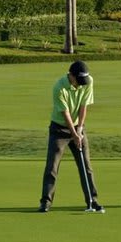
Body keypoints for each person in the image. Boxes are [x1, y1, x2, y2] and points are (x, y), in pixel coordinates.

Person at [39, 60, 104, 213]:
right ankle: (45, 202)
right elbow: (65, 113)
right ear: (71, 76)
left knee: (86, 166)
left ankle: (92, 201)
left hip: (77, 127)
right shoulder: (59, 87)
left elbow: (83, 107)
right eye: (78, 81)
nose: (81, 84)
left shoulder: (88, 82)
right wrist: (74, 134)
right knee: (52, 167)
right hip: (59, 129)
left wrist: (79, 129)